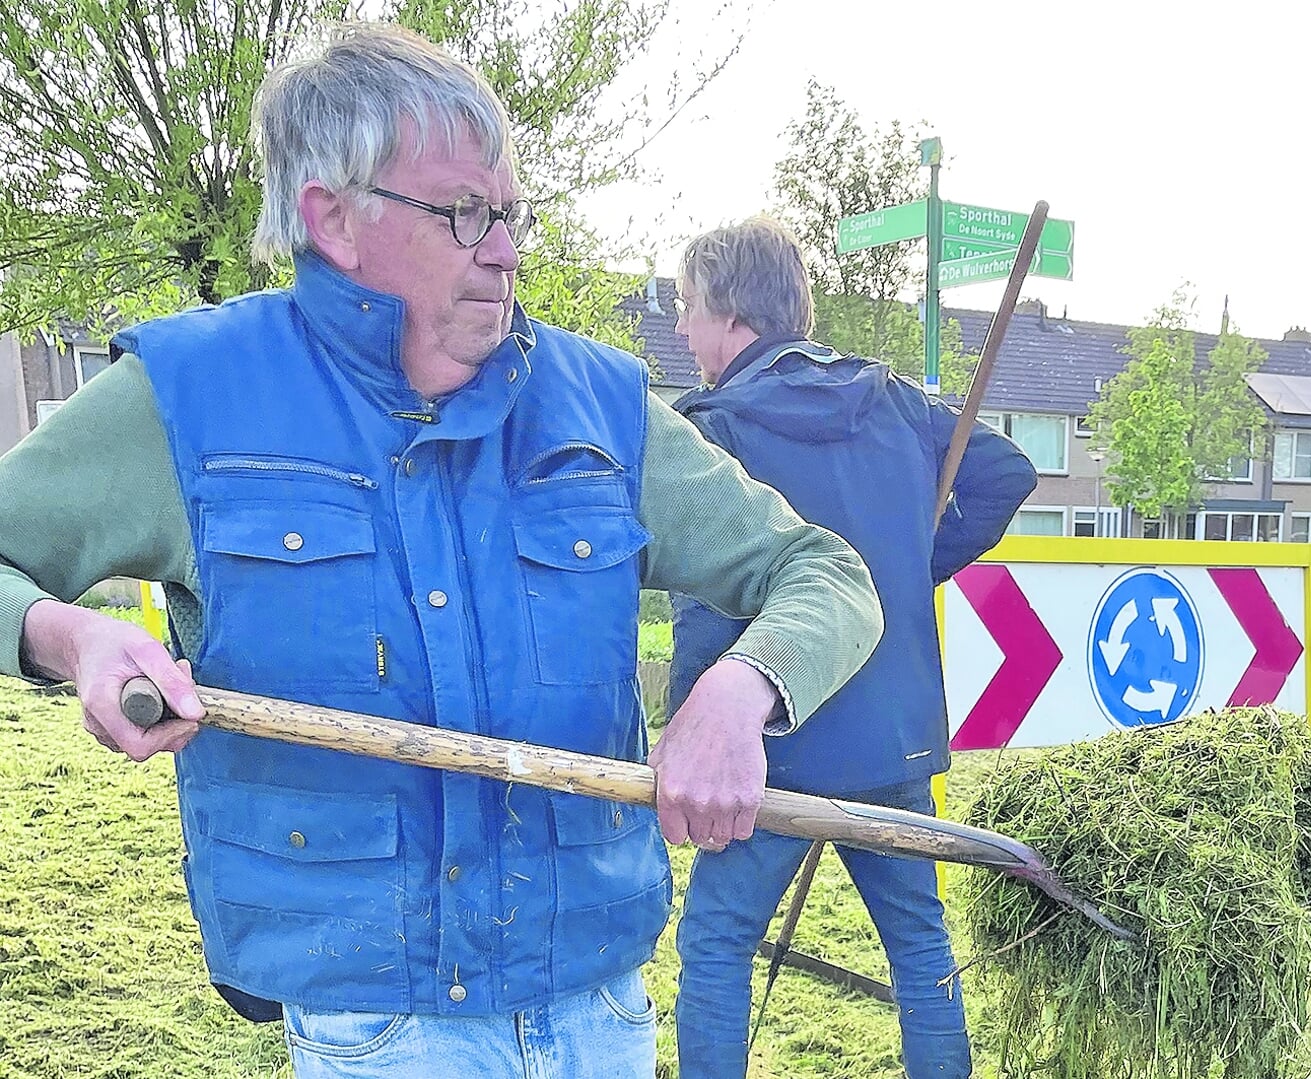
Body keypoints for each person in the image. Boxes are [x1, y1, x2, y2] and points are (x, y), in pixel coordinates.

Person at [0, 24, 882, 1078]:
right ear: (334, 216)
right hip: (372, 1028)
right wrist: (70, 637)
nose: (505, 247)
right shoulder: (185, 399)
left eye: (509, 212)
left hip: (598, 1010)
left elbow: (825, 571)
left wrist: (744, 690)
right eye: (466, 213)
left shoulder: (601, 407)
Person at [664, 218, 1036, 1079]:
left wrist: (694, 725)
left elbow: (700, 609)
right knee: (917, 944)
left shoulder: (713, 426)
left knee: (719, 943)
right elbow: (1005, 472)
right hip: (890, 736)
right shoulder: (889, 398)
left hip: (773, 742)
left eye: (688, 307)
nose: (682, 329)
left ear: (727, 311)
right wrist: (911, 567)